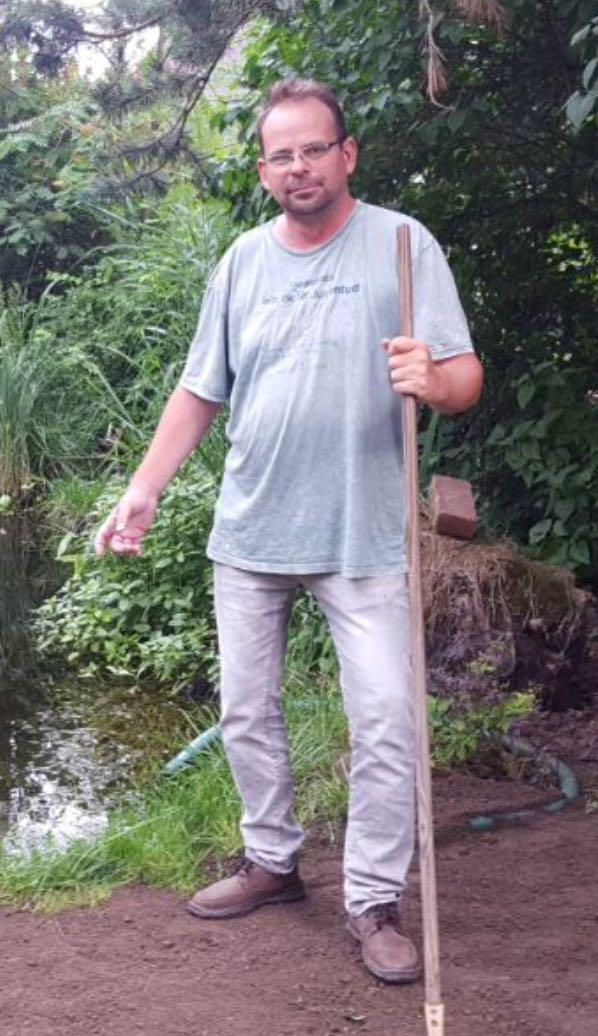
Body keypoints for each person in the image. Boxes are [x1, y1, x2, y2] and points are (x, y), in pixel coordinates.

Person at [95, 78, 483, 984]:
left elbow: (464, 378)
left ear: (347, 155)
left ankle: (373, 899)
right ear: (265, 170)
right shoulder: (241, 263)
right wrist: (145, 488)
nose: (299, 166)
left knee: (385, 719)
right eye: (282, 155)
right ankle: (272, 862)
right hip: (252, 528)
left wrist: (434, 380)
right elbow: (201, 389)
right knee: (245, 710)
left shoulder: (402, 244)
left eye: (314, 149)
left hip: (364, 536)